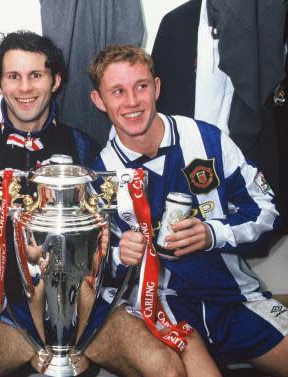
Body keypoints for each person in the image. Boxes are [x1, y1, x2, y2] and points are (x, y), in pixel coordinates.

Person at [0, 30, 192, 377]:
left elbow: (112, 236)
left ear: (55, 81)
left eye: (36, 75)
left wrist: (124, 249)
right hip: (6, 313)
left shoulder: (86, 149)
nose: (24, 88)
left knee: (167, 368)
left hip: (84, 311)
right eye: (13, 76)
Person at [89, 44, 288, 376]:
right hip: (164, 305)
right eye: (118, 91)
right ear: (99, 101)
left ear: (157, 87)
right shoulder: (102, 175)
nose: (133, 101)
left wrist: (213, 233)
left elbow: (266, 209)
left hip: (234, 297)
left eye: (141, 86)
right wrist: (117, 254)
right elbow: (95, 268)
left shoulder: (206, 138)